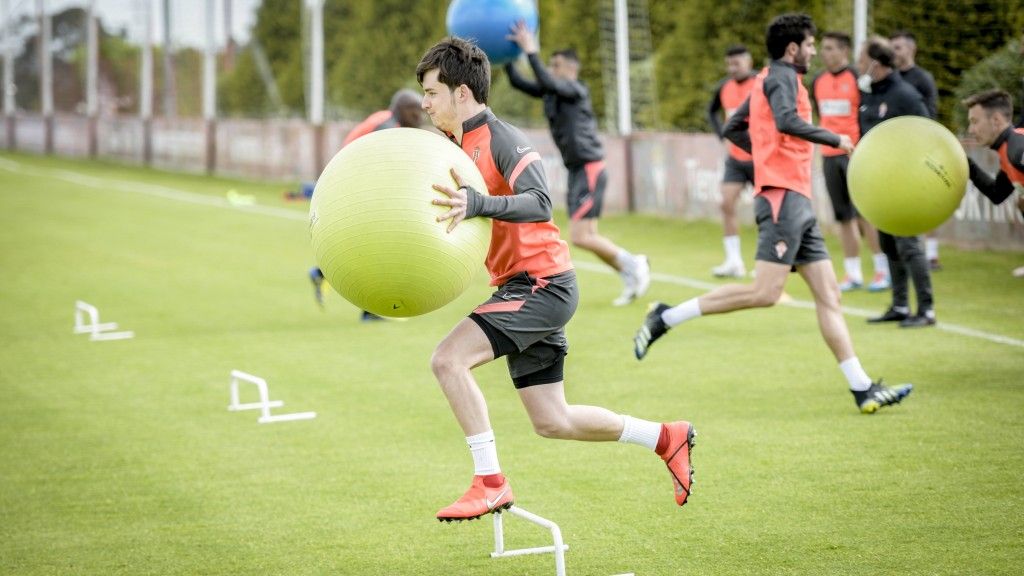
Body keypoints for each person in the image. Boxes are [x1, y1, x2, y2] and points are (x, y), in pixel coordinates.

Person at [416, 37, 695, 522]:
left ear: (462, 94)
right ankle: (665, 437)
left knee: (448, 360)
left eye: (431, 92)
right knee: (553, 420)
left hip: (542, 285)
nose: (424, 103)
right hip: (523, 287)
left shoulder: (500, 138)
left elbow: (540, 201)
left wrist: (479, 204)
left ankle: (490, 483)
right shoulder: (456, 144)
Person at [633, 14, 912, 414]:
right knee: (766, 293)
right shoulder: (781, 77)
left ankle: (862, 387)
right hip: (783, 199)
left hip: (797, 200)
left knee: (829, 295)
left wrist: (765, 153)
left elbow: (733, 127)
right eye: (811, 44)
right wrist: (834, 139)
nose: (815, 51)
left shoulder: (767, 79)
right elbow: (785, 121)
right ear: (793, 48)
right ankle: (665, 316)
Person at [504, 22, 651, 306]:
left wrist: (531, 51)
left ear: (571, 68)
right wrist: (507, 56)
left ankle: (634, 265)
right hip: (577, 169)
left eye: (556, 64)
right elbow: (520, 82)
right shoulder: (553, 92)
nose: (551, 68)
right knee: (588, 234)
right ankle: (630, 271)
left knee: (581, 236)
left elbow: (547, 81)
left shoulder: (575, 89)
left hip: (589, 166)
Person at [308, 89, 424, 320]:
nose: (420, 118)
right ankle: (371, 311)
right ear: (401, 109)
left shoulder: (387, 120)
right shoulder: (388, 129)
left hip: (354, 186)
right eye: (415, 112)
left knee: (369, 247)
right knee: (381, 246)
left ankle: (323, 273)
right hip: (354, 190)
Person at [857, 37, 936, 328]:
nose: (858, 65)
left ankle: (926, 310)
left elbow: (928, 134)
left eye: (861, 59)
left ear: (876, 64)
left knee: (910, 245)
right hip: (879, 183)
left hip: (906, 182)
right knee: (889, 243)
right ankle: (900, 305)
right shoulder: (868, 94)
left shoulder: (905, 95)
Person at [809, 31, 889, 293]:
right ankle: (853, 273)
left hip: (855, 155)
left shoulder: (858, 78)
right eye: (823, 48)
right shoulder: (818, 81)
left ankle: (881, 270)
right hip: (829, 156)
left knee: (866, 215)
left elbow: (866, 114)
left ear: (844, 51)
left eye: (831, 48)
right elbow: (822, 117)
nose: (824, 53)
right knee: (843, 217)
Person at [890, 30, 943, 270]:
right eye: (892, 47)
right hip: (895, 151)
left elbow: (930, 113)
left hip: (920, 148)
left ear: (912, 50)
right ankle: (902, 249)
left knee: (926, 198)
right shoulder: (890, 79)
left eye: (898, 47)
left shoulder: (923, 78)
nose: (894, 52)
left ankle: (931, 254)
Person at [961, 89, 1024, 277]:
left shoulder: (1017, 149)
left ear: (996, 120)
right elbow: (997, 193)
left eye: (975, 121)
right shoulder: (1007, 152)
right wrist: (965, 163)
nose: (971, 130)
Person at [707, 45, 756, 278]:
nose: (732, 68)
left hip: (759, 157)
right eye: (729, 64)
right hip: (735, 158)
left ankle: (769, 260)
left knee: (767, 210)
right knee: (726, 204)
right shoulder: (723, 87)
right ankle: (734, 261)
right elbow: (711, 111)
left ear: (749, 62)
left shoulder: (760, 84)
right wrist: (721, 134)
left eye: (737, 63)